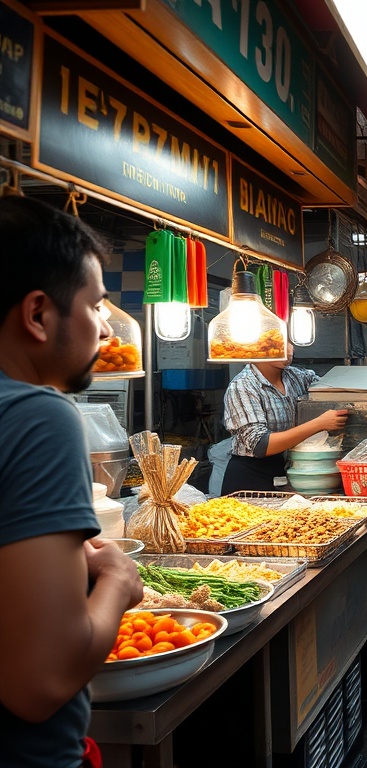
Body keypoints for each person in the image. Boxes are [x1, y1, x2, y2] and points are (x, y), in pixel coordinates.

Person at [0, 196, 144, 767]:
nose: (106, 328)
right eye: (96, 305)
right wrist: (118, 580)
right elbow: (42, 683)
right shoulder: (38, 415)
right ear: (38, 314)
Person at [222, 345, 348, 494]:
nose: (289, 350)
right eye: (279, 344)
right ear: (258, 346)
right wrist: (319, 424)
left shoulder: (297, 377)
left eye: (289, 342)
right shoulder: (242, 386)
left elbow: (332, 389)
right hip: (251, 477)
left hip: (288, 470)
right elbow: (260, 445)